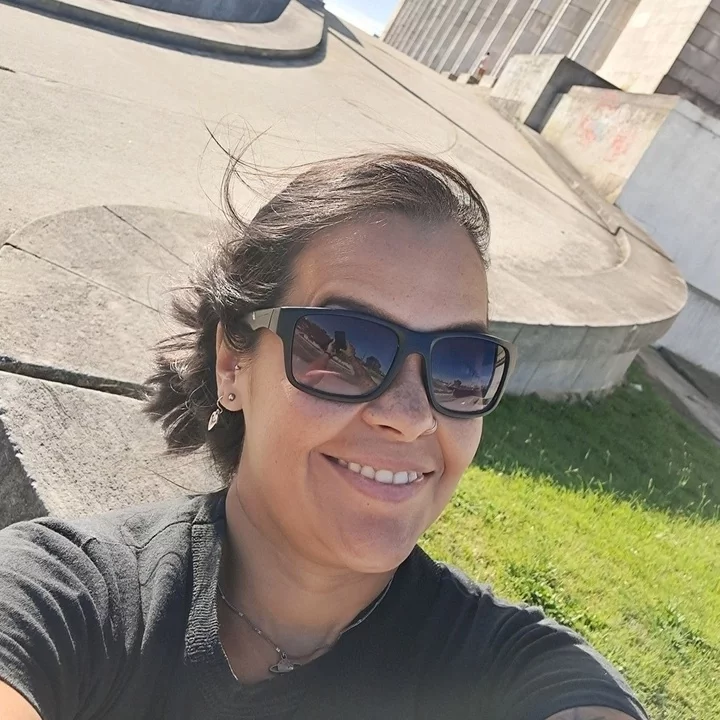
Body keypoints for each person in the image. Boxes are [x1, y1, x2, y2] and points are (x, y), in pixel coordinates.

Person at [0, 152, 648, 720]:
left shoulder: (513, 669)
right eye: (343, 348)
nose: (412, 415)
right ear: (233, 365)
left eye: (461, 364)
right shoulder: (67, 598)